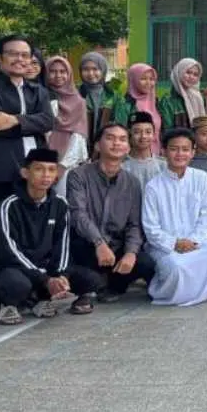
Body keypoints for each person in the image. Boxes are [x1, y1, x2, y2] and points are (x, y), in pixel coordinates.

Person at [0, 34, 57, 319]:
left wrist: (16, 119)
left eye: (25, 54)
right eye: (13, 54)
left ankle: (25, 290)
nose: (21, 59)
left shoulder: (37, 90)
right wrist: (27, 122)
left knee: (29, 234)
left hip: (33, 175)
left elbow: (48, 121)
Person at [0, 148, 102, 324]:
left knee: (92, 279)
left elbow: (63, 245)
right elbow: (9, 251)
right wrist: (45, 279)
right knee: (16, 284)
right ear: (25, 173)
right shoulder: (9, 205)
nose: (46, 175)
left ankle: (40, 299)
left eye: (51, 170)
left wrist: (60, 275)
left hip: (47, 269)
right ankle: (9, 304)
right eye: (39, 169)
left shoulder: (60, 204)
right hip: (17, 268)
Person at [67, 123, 154, 303]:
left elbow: (134, 224)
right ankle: (93, 285)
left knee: (146, 263)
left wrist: (131, 252)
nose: (116, 143)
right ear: (98, 145)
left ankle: (113, 286)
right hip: (87, 246)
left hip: (116, 247)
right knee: (83, 266)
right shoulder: (78, 175)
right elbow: (78, 214)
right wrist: (98, 243)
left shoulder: (132, 183)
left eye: (122, 139)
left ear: (128, 148)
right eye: (110, 138)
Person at [142, 127, 207, 306]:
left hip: (195, 241)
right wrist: (175, 243)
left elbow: (206, 214)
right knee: (176, 266)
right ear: (163, 151)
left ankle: (202, 293)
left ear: (193, 152)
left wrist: (193, 240)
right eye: (174, 149)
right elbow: (151, 227)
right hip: (164, 245)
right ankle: (167, 295)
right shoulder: (153, 186)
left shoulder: (201, 177)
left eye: (185, 149)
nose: (180, 154)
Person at [42, 56, 89, 197]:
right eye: (53, 71)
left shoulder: (78, 101)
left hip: (67, 164)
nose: (58, 75)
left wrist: (62, 166)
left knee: (63, 204)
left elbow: (79, 135)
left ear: (69, 74)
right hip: (41, 159)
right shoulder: (40, 96)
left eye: (63, 71)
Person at [115, 62, 162, 154]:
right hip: (133, 156)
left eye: (152, 79)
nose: (148, 82)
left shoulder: (155, 102)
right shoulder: (125, 104)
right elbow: (121, 132)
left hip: (156, 155)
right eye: (143, 79)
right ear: (133, 80)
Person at [78, 51, 118, 143]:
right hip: (80, 147)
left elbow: (119, 122)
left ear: (103, 70)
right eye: (86, 69)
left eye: (95, 69)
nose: (91, 73)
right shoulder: (76, 94)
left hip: (107, 146)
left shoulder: (112, 95)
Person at [122, 111, 167, 188]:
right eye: (137, 132)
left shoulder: (163, 165)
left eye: (148, 132)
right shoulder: (121, 165)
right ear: (129, 134)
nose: (143, 136)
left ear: (154, 135)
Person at [160, 58, 207, 130]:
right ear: (179, 72)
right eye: (188, 72)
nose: (191, 77)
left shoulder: (200, 98)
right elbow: (167, 130)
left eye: (195, 75)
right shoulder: (168, 101)